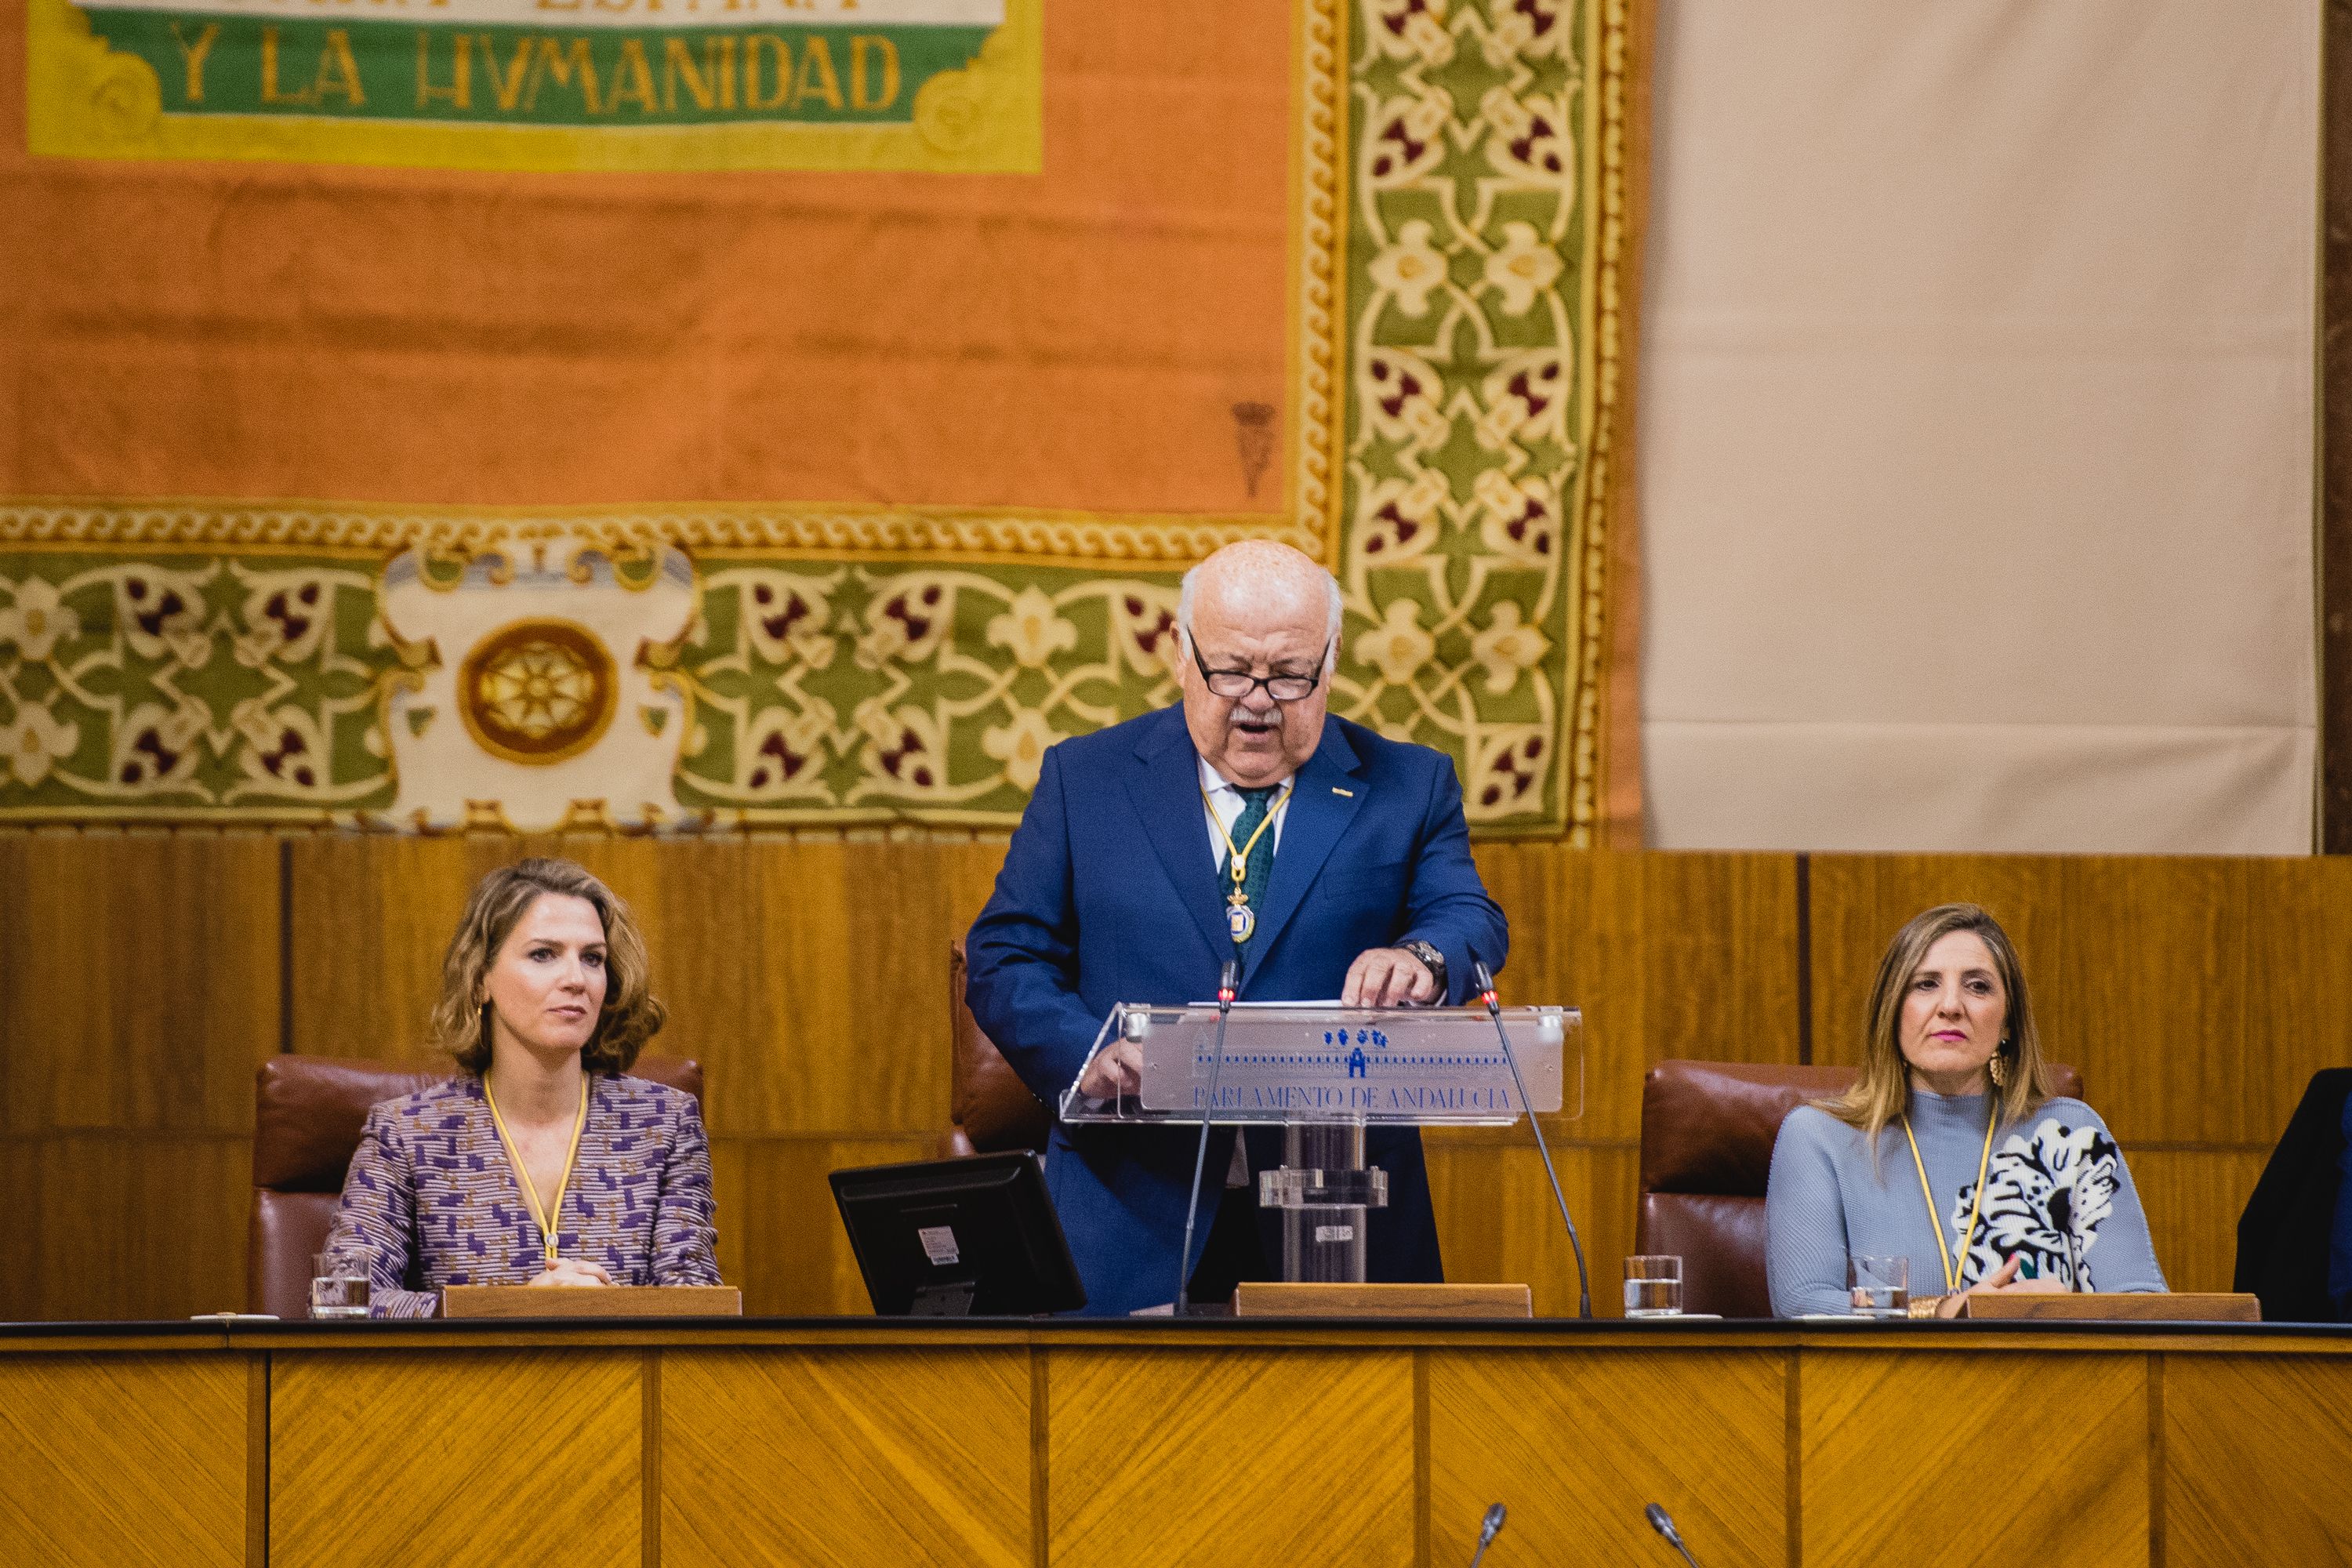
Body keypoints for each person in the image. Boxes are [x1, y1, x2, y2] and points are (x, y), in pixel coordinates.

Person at [964, 539, 1510, 1316]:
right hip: (1130, 1214)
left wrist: (1422, 956)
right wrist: (1085, 1052)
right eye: (1229, 670)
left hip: (1338, 1214)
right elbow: (1004, 952)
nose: (1257, 699)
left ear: (1333, 658)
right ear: (1181, 654)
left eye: (1290, 674)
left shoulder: (1409, 782)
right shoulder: (1085, 779)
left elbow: (1468, 914)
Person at [320, 858, 719, 1317]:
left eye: (593, 958)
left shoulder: (665, 1123)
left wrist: (600, 1311)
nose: (575, 980)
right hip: (465, 1387)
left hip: (623, 1384)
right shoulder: (409, 1132)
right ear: (480, 979)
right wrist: (508, 1310)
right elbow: (339, 1299)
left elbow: (696, 1307)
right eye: (543, 954)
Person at [1766, 902, 2165, 1317]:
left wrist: (2058, 1311)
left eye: (1978, 986)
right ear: (1893, 1010)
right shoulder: (1819, 1137)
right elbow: (1803, 1304)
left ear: (2008, 1020)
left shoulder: (2071, 1135)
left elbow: (2145, 1306)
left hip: (2047, 1379)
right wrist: (1947, 1312)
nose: (1951, 1006)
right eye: (1925, 985)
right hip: (1884, 1381)